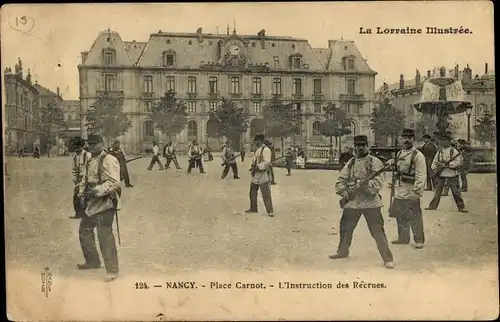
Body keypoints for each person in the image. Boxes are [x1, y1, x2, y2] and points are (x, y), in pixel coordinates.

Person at [329, 135, 394, 269]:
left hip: (371, 203)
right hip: (353, 202)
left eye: (363, 145)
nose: (360, 148)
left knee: (377, 231)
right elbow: (340, 181)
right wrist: (346, 193)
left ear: (367, 146)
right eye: (358, 145)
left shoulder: (374, 162)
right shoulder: (351, 162)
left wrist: (364, 185)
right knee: (345, 228)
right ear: (355, 146)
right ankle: (342, 252)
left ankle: (388, 259)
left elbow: (378, 183)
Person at [76, 134, 121, 282]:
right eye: (90, 144)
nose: (92, 146)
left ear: (102, 143)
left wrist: (96, 191)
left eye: (95, 143)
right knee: (84, 230)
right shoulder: (89, 160)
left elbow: (114, 182)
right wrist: (81, 193)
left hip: (106, 202)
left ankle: (112, 270)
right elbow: (84, 179)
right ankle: (93, 261)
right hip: (91, 202)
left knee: (104, 235)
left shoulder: (109, 160)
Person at [389, 129, 427, 249]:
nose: (406, 140)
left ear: (413, 139)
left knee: (414, 215)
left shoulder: (418, 155)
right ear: (401, 139)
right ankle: (403, 238)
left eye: (409, 137)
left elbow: (421, 173)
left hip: (411, 188)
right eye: (404, 137)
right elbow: (398, 168)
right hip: (400, 188)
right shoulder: (399, 154)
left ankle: (419, 240)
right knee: (400, 214)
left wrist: (417, 189)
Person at [425, 132, 467, 212]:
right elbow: (434, 162)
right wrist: (435, 168)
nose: (443, 142)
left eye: (445, 140)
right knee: (437, 191)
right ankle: (432, 206)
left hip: (452, 174)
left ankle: (461, 207)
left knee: (456, 192)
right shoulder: (440, 151)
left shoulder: (454, 151)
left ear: (449, 141)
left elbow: (458, 162)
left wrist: (448, 165)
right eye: (442, 140)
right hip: (441, 174)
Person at [246, 134, 274, 217]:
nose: (255, 142)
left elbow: (267, 162)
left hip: (262, 173)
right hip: (256, 174)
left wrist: (258, 166)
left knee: (266, 193)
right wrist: (252, 167)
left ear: (260, 141)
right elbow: (254, 161)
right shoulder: (258, 150)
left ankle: (270, 211)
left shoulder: (266, 150)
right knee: (252, 191)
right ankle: (253, 208)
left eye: (256, 141)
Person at [71, 137, 91, 219]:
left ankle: (88, 213)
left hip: (87, 178)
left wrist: (85, 180)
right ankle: (78, 213)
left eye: (77, 147)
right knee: (76, 195)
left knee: (87, 196)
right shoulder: (75, 156)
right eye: (74, 147)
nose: (76, 149)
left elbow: (89, 169)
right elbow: (74, 169)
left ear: (81, 146)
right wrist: (75, 179)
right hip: (79, 179)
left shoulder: (87, 155)